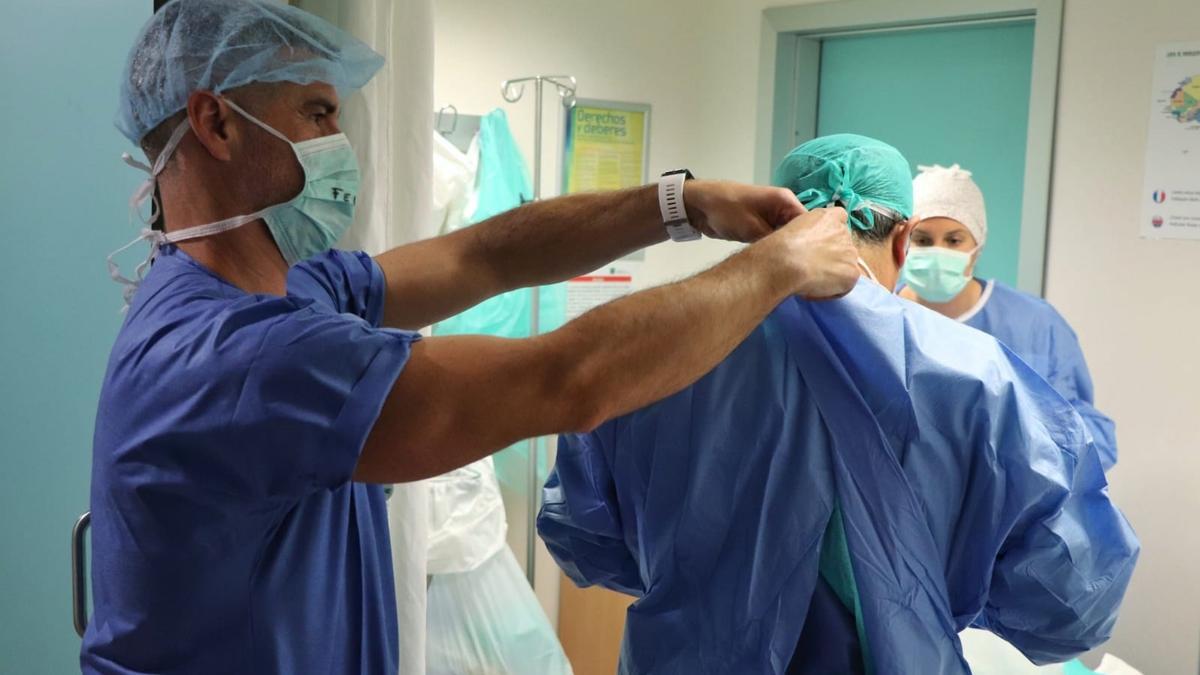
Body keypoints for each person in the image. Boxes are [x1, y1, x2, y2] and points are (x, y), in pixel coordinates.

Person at [84, 2, 862, 673]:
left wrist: (682, 204)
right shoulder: (238, 356)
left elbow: (478, 255)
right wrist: (777, 269)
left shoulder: (281, 287)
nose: (340, 143)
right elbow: (568, 381)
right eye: (318, 114)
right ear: (216, 122)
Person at [538, 134, 1139, 675]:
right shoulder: (977, 376)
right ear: (904, 239)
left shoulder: (656, 354)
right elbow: (1071, 599)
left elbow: (585, 540)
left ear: (768, 223)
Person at [900, 164, 1117, 470]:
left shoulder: (1035, 324)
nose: (938, 251)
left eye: (954, 240)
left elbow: (1083, 435)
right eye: (922, 240)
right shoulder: (881, 317)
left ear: (977, 246)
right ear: (903, 241)